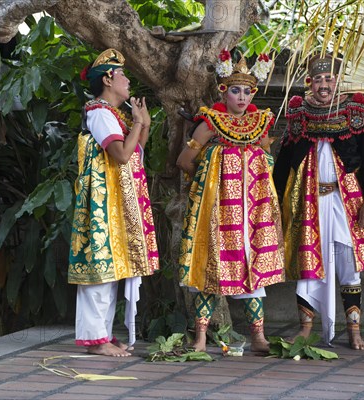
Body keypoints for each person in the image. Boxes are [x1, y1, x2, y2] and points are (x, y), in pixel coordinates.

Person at [273, 54, 364, 350]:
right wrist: (274, 205)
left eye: (329, 79)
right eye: (318, 80)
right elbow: (283, 166)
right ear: (309, 83)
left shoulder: (354, 114)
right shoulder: (299, 118)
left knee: (348, 263)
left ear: (337, 82)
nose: (324, 85)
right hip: (308, 203)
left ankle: (354, 332)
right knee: (307, 263)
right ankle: (305, 329)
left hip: (346, 203)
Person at [177, 50, 285, 353]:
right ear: (224, 91)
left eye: (247, 91)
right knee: (213, 272)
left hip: (251, 212)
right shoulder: (211, 123)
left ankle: (258, 337)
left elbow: (267, 161)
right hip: (218, 212)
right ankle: (199, 338)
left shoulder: (260, 123)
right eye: (235, 90)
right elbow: (186, 160)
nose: (242, 96)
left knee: (253, 273)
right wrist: (209, 184)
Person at [68, 49, 159, 357]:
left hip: (113, 202)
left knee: (111, 267)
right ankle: (95, 340)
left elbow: (135, 153)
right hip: (101, 202)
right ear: (108, 79)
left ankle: (102, 336)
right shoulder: (99, 112)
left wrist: (142, 125)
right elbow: (119, 155)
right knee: (99, 268)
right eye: (123, 75)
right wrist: (136, 124)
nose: (128, 80)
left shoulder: (113, 114)